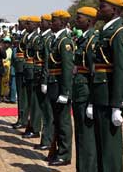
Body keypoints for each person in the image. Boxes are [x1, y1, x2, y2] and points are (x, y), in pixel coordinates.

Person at [92, 0, 123, 172]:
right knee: (101, 144)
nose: (99, 9)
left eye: (103, 6)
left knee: (110, 147)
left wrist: (118, 104)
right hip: (101, 94)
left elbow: (121, 70)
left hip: (110, 96)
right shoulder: (106, 30)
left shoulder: (119, 32)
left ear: (114, 10)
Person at [72, 7, 99, 171]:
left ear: (89, 21)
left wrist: (91, 101)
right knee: (81, 135)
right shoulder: (83, 39)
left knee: (87, 137)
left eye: (79, 18)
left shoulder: (92, 40)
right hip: (79, 91)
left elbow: (94, 73)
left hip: (86, 92)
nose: (76, 21)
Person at [46, 10, 73, 166]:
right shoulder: (56, 40)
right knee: (56, 120)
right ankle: (57, 150)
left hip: (59, 85)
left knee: (63, 122)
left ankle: (64, 154)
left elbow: (67, 69)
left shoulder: (65, 41)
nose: (51, 23)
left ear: (62, 23)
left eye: (54, 20)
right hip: (53, 84)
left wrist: (65, 92)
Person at [33, 14, 54, 150]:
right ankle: (45, 139)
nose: (41, 23)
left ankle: (47, 140)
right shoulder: (42, 37)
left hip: (45, 76)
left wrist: (44, 80)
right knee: (42, 108)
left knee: (47, 111)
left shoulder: (48, 38)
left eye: (43, 21)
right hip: (39, 75)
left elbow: (47, 61)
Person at [22, 16, 42, 139]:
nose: (26, 26)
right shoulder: (29, 37)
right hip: (28, 70)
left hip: (33, 71)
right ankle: (30, 125)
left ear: (35, 25)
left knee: (34, 102)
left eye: (29, 24)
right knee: (29, 101)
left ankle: (35, 128)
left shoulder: (36, 38)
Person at [11, 16, 29, 129]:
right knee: (21, 96)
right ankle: (20, 118)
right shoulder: (22, 34)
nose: (19, 24)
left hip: (23, 68)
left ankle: (23, 119)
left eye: (20, 22)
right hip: (18, 67)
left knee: (23, 96)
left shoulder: (27, 35)